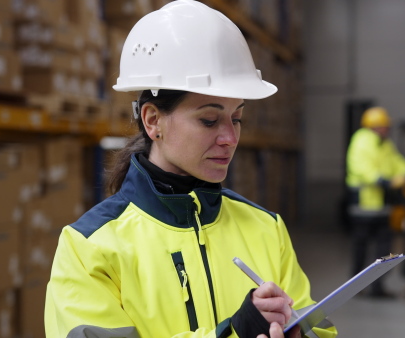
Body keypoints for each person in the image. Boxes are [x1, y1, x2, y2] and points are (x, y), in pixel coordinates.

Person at [44, 1, 337, 337]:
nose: (229, 138)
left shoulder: (266, 229)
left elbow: (320, 327)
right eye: (209, 120)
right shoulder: (89, 247)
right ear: (153, 121)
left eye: (237, 118)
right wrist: (232, 333)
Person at [345, 106, 405, 298]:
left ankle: (377, 287)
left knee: (384, 249)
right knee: (361, 246)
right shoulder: (361, 141)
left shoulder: (385, 144)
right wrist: (382, 180)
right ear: (374, 126)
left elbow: (395, 161)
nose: (387, 130)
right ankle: (355, 287)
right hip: (363, 206)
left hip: (381, 206)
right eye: (384, 126)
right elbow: (360, 167)